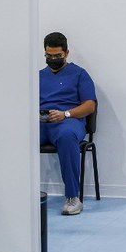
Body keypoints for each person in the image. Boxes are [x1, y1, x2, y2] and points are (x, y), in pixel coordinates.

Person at [39, 32, 96, 215]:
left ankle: (72, 197)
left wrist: (65, 114)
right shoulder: (38, 76)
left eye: (58, 56)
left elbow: (90, 105)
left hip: (68, 121)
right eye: (49, 56)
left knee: (66, 136)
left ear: (67, 53)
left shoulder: (79, 74)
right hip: (42, 122)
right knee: (18, 135)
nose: (53, 59)